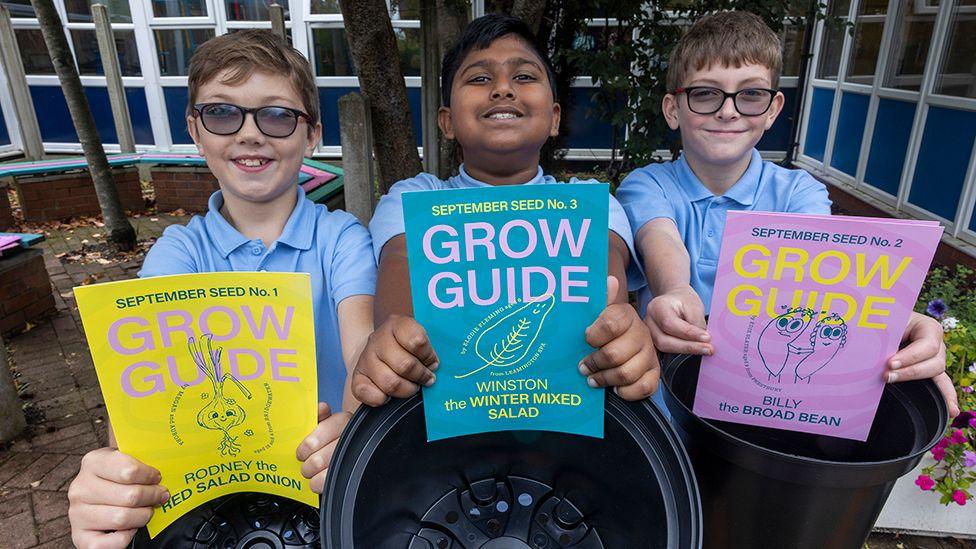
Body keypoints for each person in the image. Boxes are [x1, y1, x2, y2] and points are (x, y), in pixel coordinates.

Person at [68, 30, 376, 548]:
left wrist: (348, 432)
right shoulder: (176, 253)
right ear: (195, 128)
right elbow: (142, 397)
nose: (250, 134)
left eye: (277, 115)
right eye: (222, 113)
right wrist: (116, 486)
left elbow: (361, 349)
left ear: (313, 133)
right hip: (207, 501)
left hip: (320, 483)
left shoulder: (342, 237)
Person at [615, 11, 957, 415]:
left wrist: (894, 324)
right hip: (665, 406)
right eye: (705, 93)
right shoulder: (646, 184)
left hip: (761, 409)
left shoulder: (801, 192)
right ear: (673, 109)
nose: (728, 111)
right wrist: (675, 290)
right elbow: (661, 238)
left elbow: (823, 280)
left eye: (751, 94)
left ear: (774, 108)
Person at [351, 13, 658, 406]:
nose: (502, 89)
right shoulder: (412, 201)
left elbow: (608, 310)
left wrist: (626, 337)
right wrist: (391, 339)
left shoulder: (595, 206)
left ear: (555, 118)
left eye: (525, 77)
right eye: (479, 79)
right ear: (447, 122)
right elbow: (398, 301)